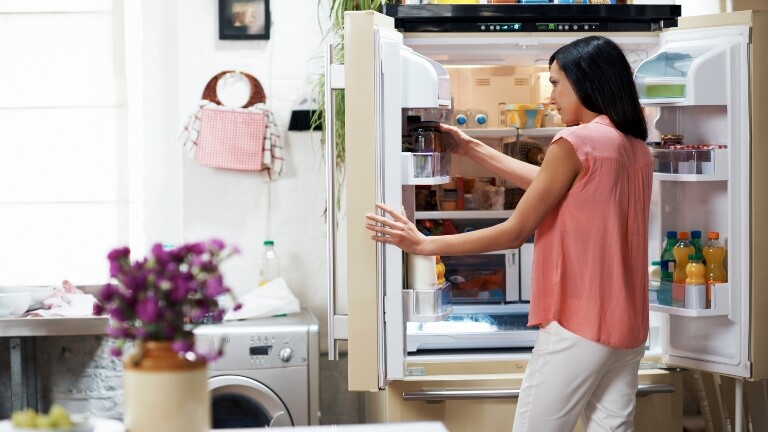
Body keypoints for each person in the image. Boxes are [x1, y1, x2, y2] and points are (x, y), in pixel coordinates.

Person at [365, 35, 652, 432]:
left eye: (554, 83)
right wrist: (469, 147)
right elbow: (550, 184)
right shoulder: (633, 146)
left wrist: (423, 243)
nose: (550, 98)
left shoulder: (576, 141)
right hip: (628, 327)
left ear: (586, 81)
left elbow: (514, 231)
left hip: (580, 322)